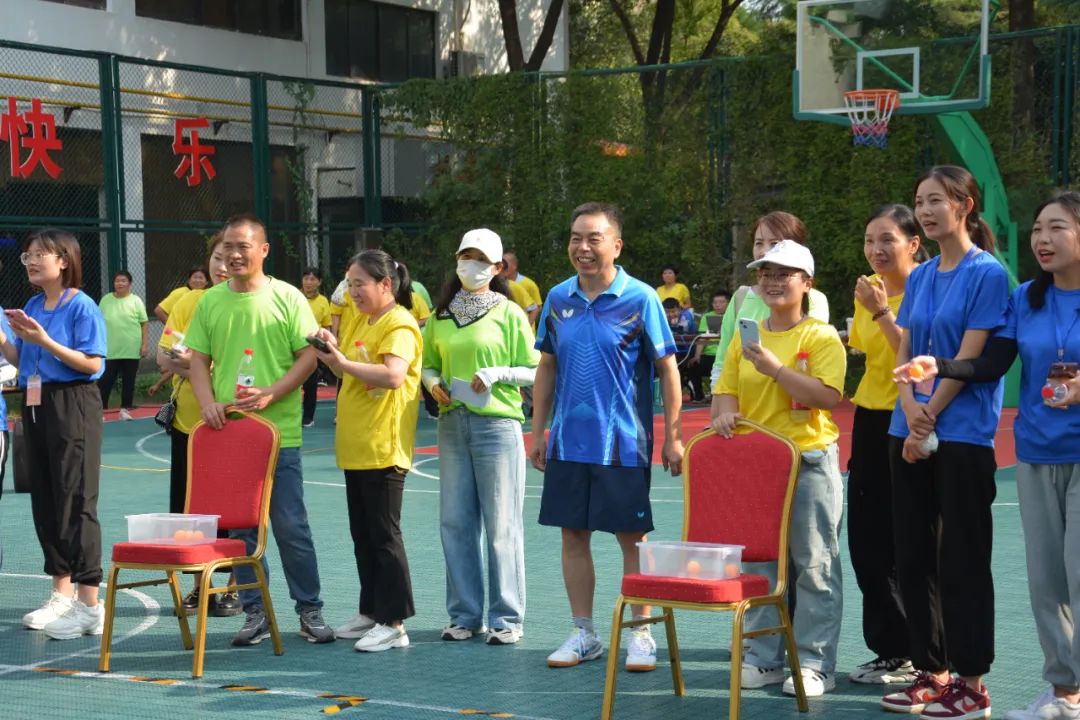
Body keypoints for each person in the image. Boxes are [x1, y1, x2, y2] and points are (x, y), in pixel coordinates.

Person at [896, 191, 1080, 720]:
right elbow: (993, 363)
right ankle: (1064, 691)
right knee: (1046, 581)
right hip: (1036, 453)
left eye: (1057, 228)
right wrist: (943, 367)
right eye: (1038, 229)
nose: (1042, 239)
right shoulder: (1026, 298)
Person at [530, 202, 684, 672]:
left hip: (623, 444)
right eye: (576, 237)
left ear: (616, 245)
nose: (582, 247)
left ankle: (640, 633)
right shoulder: (558, 298)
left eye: (593, 238)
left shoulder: (640, 298)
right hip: (567, 443)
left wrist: (673, 436)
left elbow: (668, 369)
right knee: (573, 535)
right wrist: (538, 430)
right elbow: (547, 366)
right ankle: (584, 633)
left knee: (632, 539)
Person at [880, 165, 1009, 719]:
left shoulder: (989, 274)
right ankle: (930, 672)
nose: (925, 211)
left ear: (965, 205)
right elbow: (906, 349)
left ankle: (971, 682)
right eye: (919, 201)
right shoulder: (924, 275)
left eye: (936, 200)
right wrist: (911, 412)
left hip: (961, 435)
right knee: (913, 557)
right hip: (908, 427)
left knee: (963, 559)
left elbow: (970, 356)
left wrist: (928, 415)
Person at [185, 214, 334, 646]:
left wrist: (273, 393)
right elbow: (198, 360)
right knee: (241, 531)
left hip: (278, 435)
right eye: (228, 246)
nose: (233, 255)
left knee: (290, 527)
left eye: (243, 247)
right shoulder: (211, 301)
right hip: (229, 436)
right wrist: (208, 403)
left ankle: (309, 610)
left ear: (263, 250)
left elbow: (309, 357)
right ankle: (256, 612)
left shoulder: (287, 297)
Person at [711, 240, 846, 697]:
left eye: (783, 273)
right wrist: (725, 414)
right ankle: (764, 658)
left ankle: (814, 664)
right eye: (765, 272)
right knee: (761, 566)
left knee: (814, 566)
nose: (771, 281)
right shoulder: (745, 336)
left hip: (808, 462)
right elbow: (726, 388)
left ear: (807, 283)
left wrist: (775, 369)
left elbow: (827, 396)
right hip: (757, 467)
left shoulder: (820, 336)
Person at [423, 229, 539, 646]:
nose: (471, 265)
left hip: (497, 426)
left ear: (497, 267)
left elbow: (535, 369)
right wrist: (432, 383)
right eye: (465, 256)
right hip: (452, 423)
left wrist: (498, 373)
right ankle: (464, 615)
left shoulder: (509, 313)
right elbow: (427, 364)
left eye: (481, 259)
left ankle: (506, 618)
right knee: (455, 522)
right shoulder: (439, 316)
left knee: (501, 525)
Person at [310, 250, 421, 653]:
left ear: (385, 284)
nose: (352, 292)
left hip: (383, 447)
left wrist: (343, 362)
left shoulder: (400, 323)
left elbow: (393, 375)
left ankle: (394, 622)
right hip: (356, 444)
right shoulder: (362, 319)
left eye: (360, 284)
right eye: (349, 284)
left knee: (385, 535)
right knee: (363, 534)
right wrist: (330, 353)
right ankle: (371, 610)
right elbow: (345, 369)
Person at [0, 229, 107, 640]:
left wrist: (44, 339)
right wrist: (6, 338)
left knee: (76, 499)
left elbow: (92, 364)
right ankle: (61, 593)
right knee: (45, 497)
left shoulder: (81, 305)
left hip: (72, 402)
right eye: (27, 255)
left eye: (40, 254)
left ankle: (89, 603)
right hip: (35, 401)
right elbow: (21, 358)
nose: (30, 260)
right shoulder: (32, 305)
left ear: (64, 260)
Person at [845, 205, 922, 685]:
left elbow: (911, 358)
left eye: (887, 239)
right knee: (866, 539)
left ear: (913, 244)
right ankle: (891, 648)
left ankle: (921, 650)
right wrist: (874, 306)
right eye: (870, 240)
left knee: (909, 538)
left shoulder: (927, 288)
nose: (876, 249)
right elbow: (867, 353)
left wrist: (882, 311)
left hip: (910, 417)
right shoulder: (867, 289)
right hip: (869, 417)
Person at [157, 236, 240, 617]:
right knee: (190, 510)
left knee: (234, 510)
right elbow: (165, 357)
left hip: (233, 422)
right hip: (189, 423)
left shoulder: (247, 304)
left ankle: (236, 585)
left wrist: (194, 365)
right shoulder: (188, 302)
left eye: (230, 258)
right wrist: (202, 368)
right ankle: (199, 586)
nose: (222, 265)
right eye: (217, 258)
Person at [97, 270, 149, 420]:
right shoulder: (106, 299)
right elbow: (98, 321)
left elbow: (144, 323)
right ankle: (101, 411)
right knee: (105, 381)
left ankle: (125, 410)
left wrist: (144, 345)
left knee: (129, 381)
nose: (120, 283)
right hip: (109, 349)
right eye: (117, 281)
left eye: (123, 281)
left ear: (130, 284)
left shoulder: (136, 301)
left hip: (131, 349)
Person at [300, 266, 332, 428]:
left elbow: (327, 325)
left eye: (313, 279)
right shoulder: (295, 296)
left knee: (310, 384)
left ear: (319, 282)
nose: (309, 282)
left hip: (312, 348)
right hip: (293, 345)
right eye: (306, 278)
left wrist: (324, 344)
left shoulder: (323, 301)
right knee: (291, 383)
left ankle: (308, 417)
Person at [687, 289, 731, 403]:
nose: (718, 305)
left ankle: (717, 395)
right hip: (709, 353)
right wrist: (697, 356)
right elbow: (702, 338)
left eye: (721, 302)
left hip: (727, 354)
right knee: (692, 365)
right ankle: (699, 396)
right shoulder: (707, 316)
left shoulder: (733, 315)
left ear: (729, 303)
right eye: (715, 302)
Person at [502, 251, 543, 325]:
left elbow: (538, 307)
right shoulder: (498, 284)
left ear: (514, 266)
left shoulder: (529, 284)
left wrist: (526, 325)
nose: (502, 266)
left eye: (505, 264)